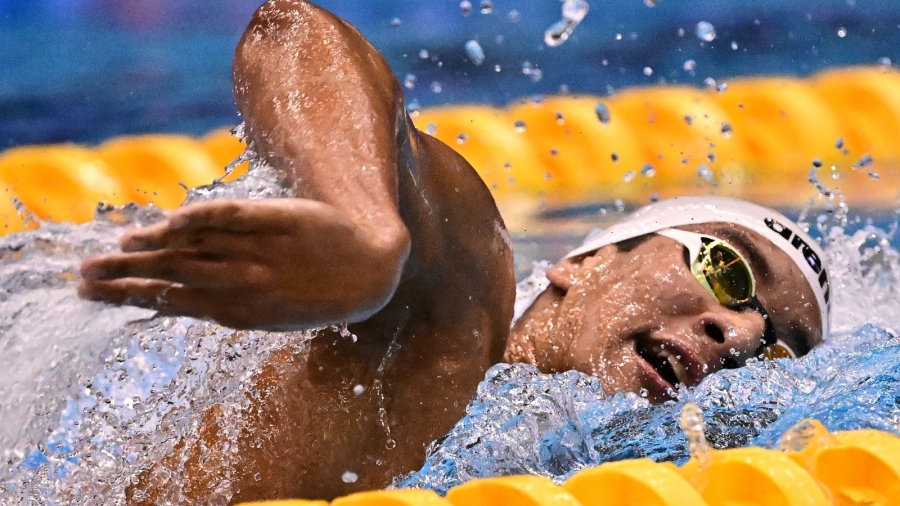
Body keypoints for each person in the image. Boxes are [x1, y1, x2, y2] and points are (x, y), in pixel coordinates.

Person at [77, 0, 828, 502]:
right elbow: (293, 30)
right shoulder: (455, 324)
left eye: (778, 351)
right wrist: (366, 237)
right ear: (584, 262)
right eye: (725, 269)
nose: (744, 334)